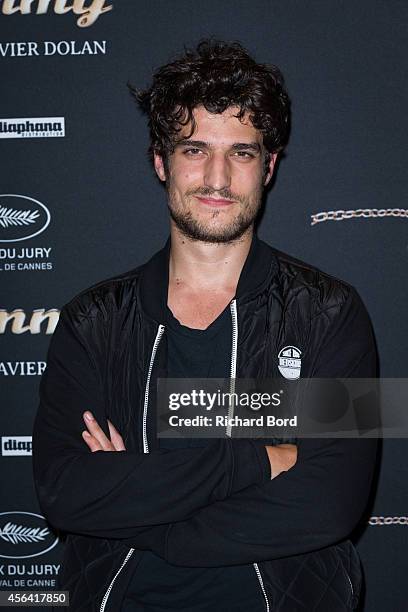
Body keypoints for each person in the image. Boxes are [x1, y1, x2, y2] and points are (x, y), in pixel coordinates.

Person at [32, 40, 378, 611]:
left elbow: (333, 502)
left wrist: (143, 509)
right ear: (160, 161)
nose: (216, 177)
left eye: (241, 153)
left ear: (267, 167)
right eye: (195, 148)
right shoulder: (91, 321)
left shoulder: (333, 312)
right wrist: (262, 460)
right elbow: (65, 494)